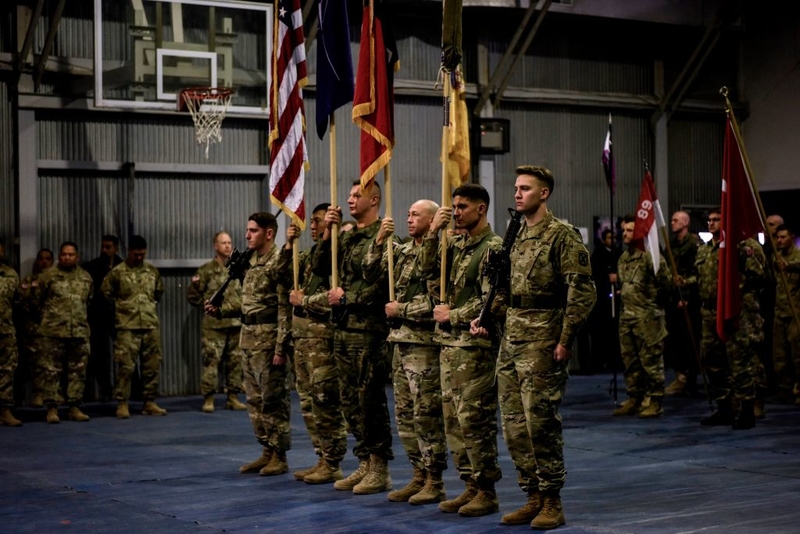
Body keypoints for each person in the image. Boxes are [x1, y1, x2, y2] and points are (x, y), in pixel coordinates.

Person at [472, 165, 596, 529]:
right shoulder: (514, 235)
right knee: (513, 424)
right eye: (515, 188)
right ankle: (533, 495)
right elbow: (506, 290)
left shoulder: (562, 236)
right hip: (512, 336)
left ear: (544, 193)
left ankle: (553, 499)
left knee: (540, 422)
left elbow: (581, 291)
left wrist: (565, 338)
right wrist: (485, 317)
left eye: (525, 188)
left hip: (544, 337)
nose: (517, 194)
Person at [415, 183, 502, 517]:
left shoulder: (492, 247)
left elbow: (494, 299)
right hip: (449, 346)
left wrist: (455, 314)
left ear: (481, 209)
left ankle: (487, 489)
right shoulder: (458, 244)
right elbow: (427, 271)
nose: (456, 212)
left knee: (474, 421)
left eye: (463, 206)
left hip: (474, 347)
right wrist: (434, 233)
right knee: (453, 422)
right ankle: (469, 485)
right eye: (454, 206)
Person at [312, 181, 394, 495]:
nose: (349, 199)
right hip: (343, 329)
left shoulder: (384, 237)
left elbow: (383, 285)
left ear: (374, 200)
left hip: (368, 330)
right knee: (349, 400)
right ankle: (363, 460)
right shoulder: (346, 236)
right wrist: (328, 234)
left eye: (356, 195)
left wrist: (349, 300)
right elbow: (320, 268)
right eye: (349, 194)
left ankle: (379, 466)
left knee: (370, 400)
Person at [364, 199, 448, 505]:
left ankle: (434, 478)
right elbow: (370, 273)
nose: (409, 219)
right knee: (405, 415)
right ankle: (417, 474)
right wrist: (378, 240)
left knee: (426, 414)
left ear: (431, 220)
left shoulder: (440, 252)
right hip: (400, 342)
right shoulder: (400, 251)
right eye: (408, 214)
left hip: (424, 344)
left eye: (416, 215)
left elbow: (438, 301)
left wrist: (403, 308)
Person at [206, 212, 293, 476]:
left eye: (253, 231)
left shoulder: (279, 262)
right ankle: (266, 451)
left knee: (273, 400)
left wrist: (281, 348)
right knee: (254, 401)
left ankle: (279, 455)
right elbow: (249, 306)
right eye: (247, 230)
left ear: (269, 233)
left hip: (268, 341)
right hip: (248, 338)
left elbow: (282, 308)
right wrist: (221, 310)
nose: (246, 236)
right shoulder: (251, 262)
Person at [285, 203, 348, 484]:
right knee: (309, 404)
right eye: (311, 221)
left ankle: (333, 460)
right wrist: (288, 246)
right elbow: (282, 279)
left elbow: (336, 298)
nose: (312, 226)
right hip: (302, 339)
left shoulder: (337, 257)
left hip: (323, 339)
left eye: (318, 221)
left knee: (325, 402)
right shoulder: (309, 254)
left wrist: (306, 302)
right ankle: (322, 456)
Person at [101, 235, 167, 418]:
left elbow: (158, 293)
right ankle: (122, 403)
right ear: (129, 251)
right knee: (125, 367)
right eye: (136, 254)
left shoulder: (152, 271)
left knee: (151, 366)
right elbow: (105, 294)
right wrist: (120, 312)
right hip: (126, 326)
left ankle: (149, 402)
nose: (139, 257)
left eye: (142, 254)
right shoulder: (117, 272)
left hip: (149, 324)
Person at [613, 214, 672, 418]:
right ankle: (635, 398)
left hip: (648, 319)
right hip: (627, 318)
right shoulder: (623, 258)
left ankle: (655, 400)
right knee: (630, 362)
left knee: (651, 362)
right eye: (624, 230)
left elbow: (666, 284)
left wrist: (654, 306)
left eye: (630, 230)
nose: (625, 234)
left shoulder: (651, 256)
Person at [186, 231, 246, 413]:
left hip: (235, 323)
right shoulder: (205, 270)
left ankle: (233, 397)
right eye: (223, 243)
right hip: (214, 326)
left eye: (229, 242)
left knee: (235, 362)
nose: (227, 246)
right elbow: (193, 295)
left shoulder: (238, 269)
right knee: (211, 361)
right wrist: (207, 308)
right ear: (215, 246)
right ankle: (209, 397)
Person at [35, 242, 94, 423]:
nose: (67, 257)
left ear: (77, 257)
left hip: (79, 332)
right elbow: (36, 300)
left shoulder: (86, 278)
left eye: (71, 255)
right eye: (64, 254)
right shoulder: (47, 276)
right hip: (53, 333)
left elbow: (88, 301)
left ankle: (74, 407)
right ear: (59, 257)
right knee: (51, 371)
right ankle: (52, 409)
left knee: (77, 372)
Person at [82, 235, 123, 401]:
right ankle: (105, 388)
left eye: (108, 247)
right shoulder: (93, 267)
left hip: (119, 315)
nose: (105, 250)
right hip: (98, 314)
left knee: (125, 352)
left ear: (116, 249)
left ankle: (131, 388)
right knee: (99, 353)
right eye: (103, 247)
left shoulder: (122, 266)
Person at [665, 211, 701, 396]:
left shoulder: (693, 245)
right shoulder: (671, 245)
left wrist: (687, 295)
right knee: (675, 340)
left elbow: (699, 272)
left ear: (686, 222)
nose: (672, 223)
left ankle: (692, 378)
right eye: (671, 220)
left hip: (689, 299)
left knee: (690, 340)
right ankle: (680, 376)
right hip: (673, 298)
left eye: (676, 220)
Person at [18, 248, 54, 407]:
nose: (44, 262)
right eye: (41, 258)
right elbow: (21, 302)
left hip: (55, 328)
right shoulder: (28, 281)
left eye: (48, 259)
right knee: (35, 363)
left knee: (54, 363)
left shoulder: (58, 279)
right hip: (34, 329)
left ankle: (54, 395)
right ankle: (38, 393)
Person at [772, 225, 800, 405]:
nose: (779, 241)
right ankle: (784, 387)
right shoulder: (776, 257)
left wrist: (788, 266)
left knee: (798, 354)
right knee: (779, 354)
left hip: (796, 311)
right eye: (777, 238)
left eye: (783, 237)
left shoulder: (797, 257)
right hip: (779, 311)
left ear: (791, 237)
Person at [588, 229, 619, 373]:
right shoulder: (598, 254)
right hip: (602, 299)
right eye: (609, 237)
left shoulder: (617, 253)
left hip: (615, 299)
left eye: (614, 237)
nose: (612, 240)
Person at [0, 238, 23, 427]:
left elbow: (17, 302)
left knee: (7, 372)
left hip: (5, 331)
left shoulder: (10, 275)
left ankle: (5, 411)